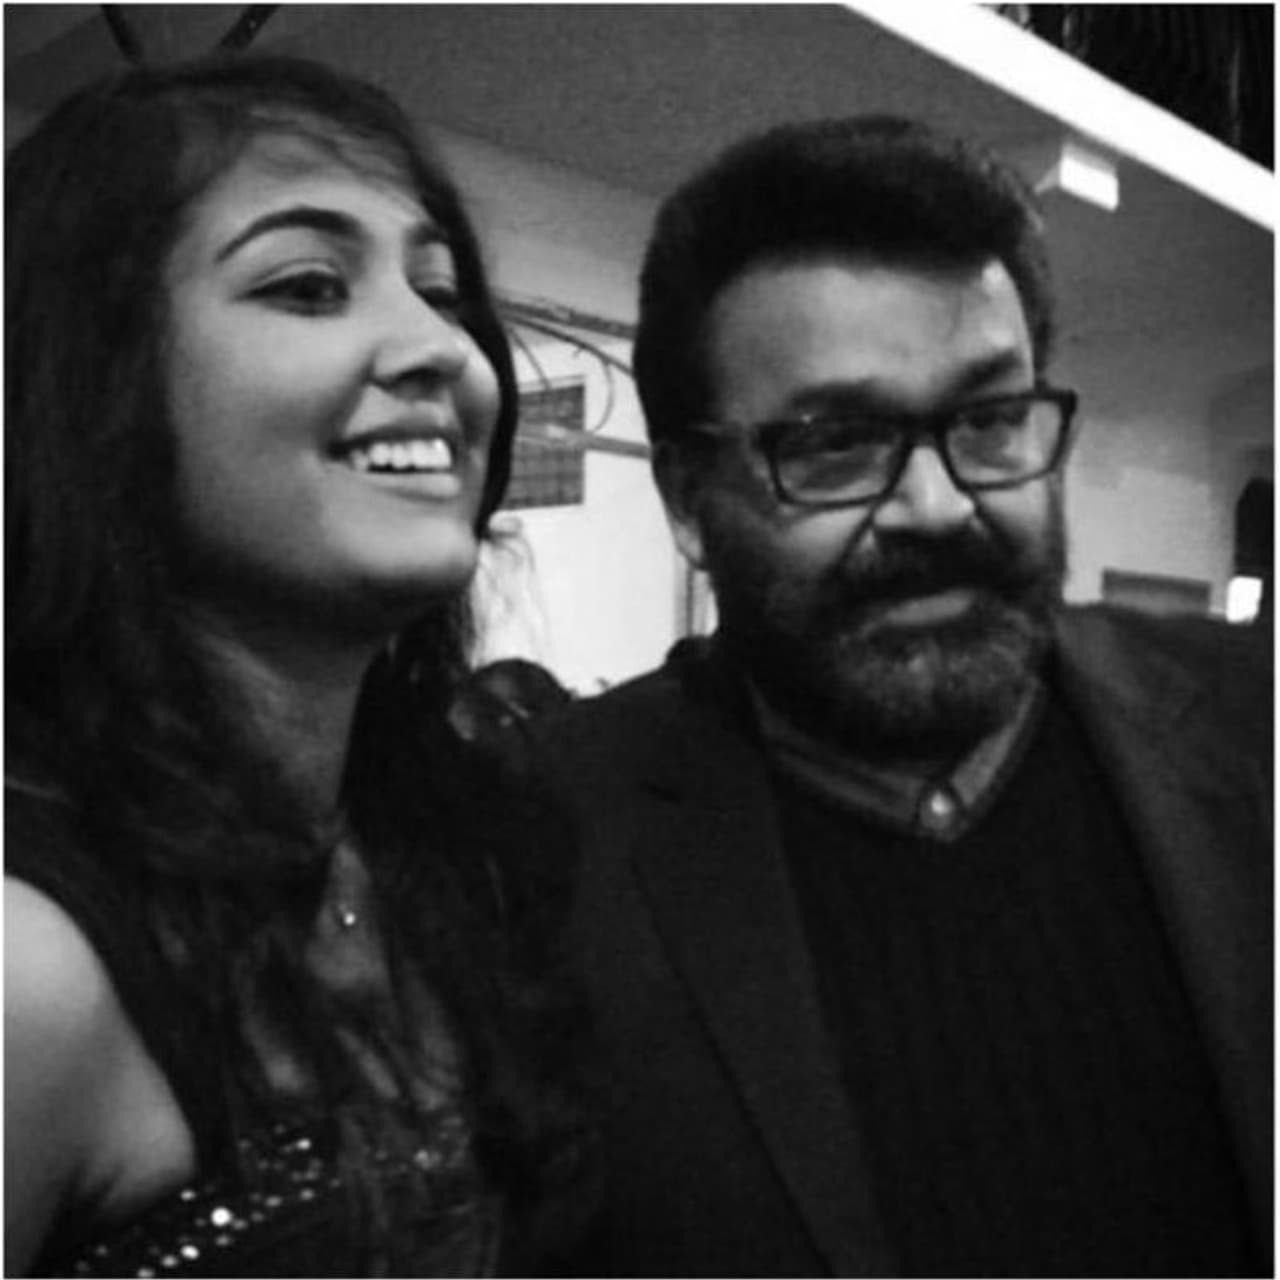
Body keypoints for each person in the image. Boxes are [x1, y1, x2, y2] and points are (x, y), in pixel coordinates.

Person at [521, 117, 1272, 1276]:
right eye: (835, 441)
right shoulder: (540, 841)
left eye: (988, 419)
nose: (936, 504)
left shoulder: (1248, 718)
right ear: (686, 497)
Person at [5, 54, 590, 1277]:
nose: (437, 347)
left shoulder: (440, 855)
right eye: (309, 286)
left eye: (440, 291)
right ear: (88, 381)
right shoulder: (29, 961)